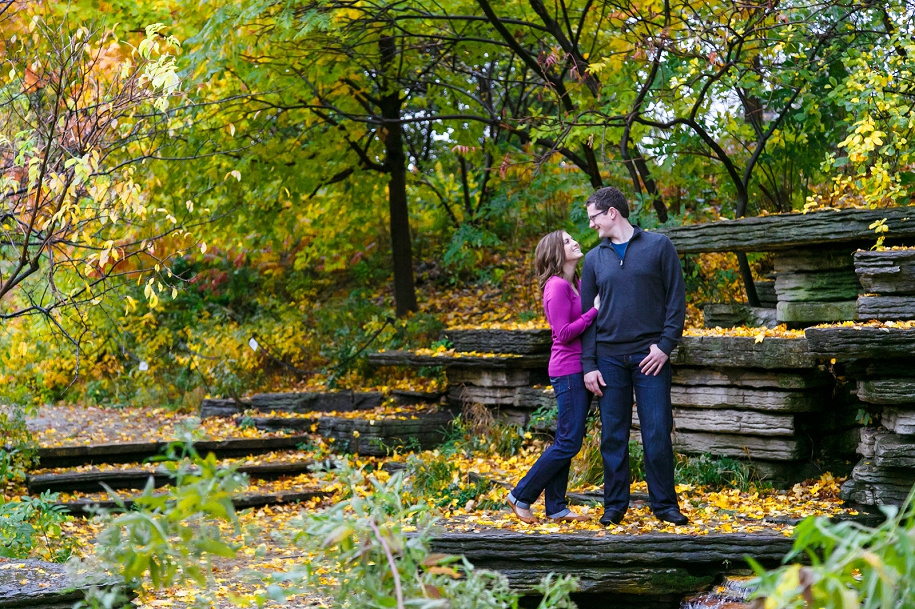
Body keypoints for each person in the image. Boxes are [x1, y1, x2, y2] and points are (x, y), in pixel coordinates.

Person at [579, 186, 689, 527]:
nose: (592, 225)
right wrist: (589, 365)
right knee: (613, 434)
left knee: (657, 431)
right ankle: (614, 506)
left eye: (594, 218)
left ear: (612, 212)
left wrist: (665, 346)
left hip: (650, 357)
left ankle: (665, 506)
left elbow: (676, 301)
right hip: (609, 359)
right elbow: (587, 317)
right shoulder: (593, 259)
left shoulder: (659, 246)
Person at [506, 230, 599, 524]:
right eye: (568, 241)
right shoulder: (556, 287)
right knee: (569, 442)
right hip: (567, 369)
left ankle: (556, 507)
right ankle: (521, 495)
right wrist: (594, 311)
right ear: (556, 252)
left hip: (577, 367)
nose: (576, 242)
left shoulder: (575, 283)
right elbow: (564, 332)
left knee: (566, 438)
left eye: (574, 238)